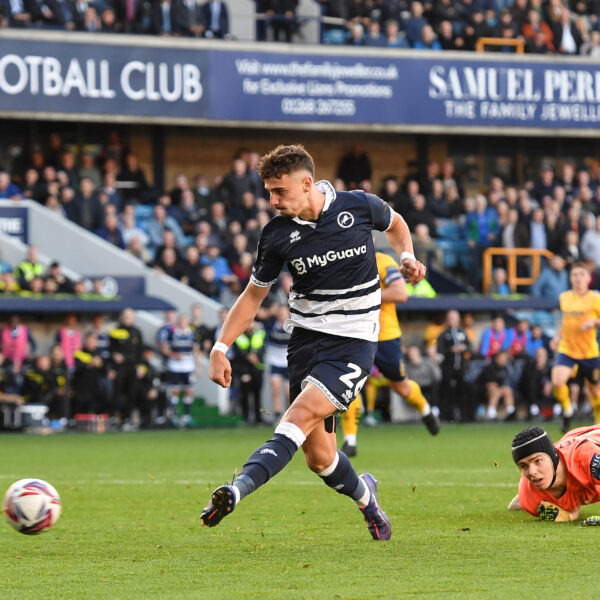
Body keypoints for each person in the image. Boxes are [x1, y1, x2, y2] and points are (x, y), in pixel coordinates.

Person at [201, 144, 425, 540]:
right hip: (305, 342)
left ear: (307, 184)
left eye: (279, 191)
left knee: (298, 416)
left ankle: (236, 489)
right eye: (268, 191)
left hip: (353, 344)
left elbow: (396, 224)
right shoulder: (276, 235)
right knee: (319, 458)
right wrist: (220, 347)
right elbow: (252, 297)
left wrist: (406, 255)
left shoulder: (358, 206)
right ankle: (367, 499)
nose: (272, 200)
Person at [340, 249, 439, 457]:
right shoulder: (343, 263)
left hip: (384, 335)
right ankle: (350, 441)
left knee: (401, 387)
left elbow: (400, 293)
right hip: (355, 334)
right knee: (349, 385)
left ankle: (425, 410)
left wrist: (364, 297)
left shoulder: (383, 261)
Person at [509, 425, 600, 523]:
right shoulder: (529, 497)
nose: (532, 472)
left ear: (553, 456)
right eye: (523, 465)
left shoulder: (586, 457)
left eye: (537, 461)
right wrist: (571, 514)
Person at [550, 262, 600, 432]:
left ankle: (598, 425)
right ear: (570, 278)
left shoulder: (595, 298)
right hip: (568, 349)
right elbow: (565, 321)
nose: (578, 278)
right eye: (575, 275)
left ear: (588, 278)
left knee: (595, 392)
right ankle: (568, 410)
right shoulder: (564, 297)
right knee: (557, 382)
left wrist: (594, 321)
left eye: (581, 274)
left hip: (588, 352)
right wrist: (557, 337)